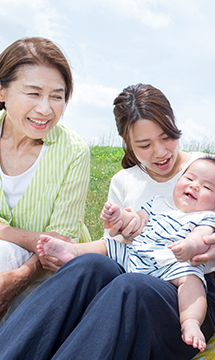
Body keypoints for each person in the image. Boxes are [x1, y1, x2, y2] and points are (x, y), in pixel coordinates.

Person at [0, 83, 215, 360]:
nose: (160, 152)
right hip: (135, 269)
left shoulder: (208, 172)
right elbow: (115, 245)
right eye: (144, 145)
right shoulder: (125, 181)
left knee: (130, 288)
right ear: (128, 143)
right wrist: (119, 229)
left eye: (167, 138)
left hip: (186, 294)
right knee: (89, 265)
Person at [37, 157, 215, 352]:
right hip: (138, 254)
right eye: (189, 179)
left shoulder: (208, 216)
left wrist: (189, 246)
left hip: (173, 263)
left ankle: (190, 321)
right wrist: (119, 216)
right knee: (108, 245)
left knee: (192, 280)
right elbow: (136, 220)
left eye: (207, 187)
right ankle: (73, 251)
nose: (195, 186)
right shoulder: (159, 203)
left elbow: (202, 237)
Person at [0, 37, 90, 326]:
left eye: (57, 96)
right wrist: (28, 238)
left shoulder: (74, 151)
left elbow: (58, 243)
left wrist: (20, 276)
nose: (45, 109)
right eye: (33, 93)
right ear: (2, 91)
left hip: (48, 275)